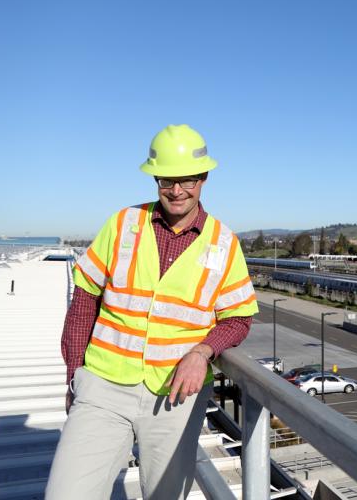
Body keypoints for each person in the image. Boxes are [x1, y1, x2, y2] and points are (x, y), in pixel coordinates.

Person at [46, 124, 259, 500]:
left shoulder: (224, 243)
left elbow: (238, 318)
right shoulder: (123, 224)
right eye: (166, 180)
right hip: (103, 387)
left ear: (204, 179)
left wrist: (202, 351)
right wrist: (74, 376)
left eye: (187, 180)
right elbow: (84, 301)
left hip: (175, 399)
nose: (176, 191)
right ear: (155, 177)